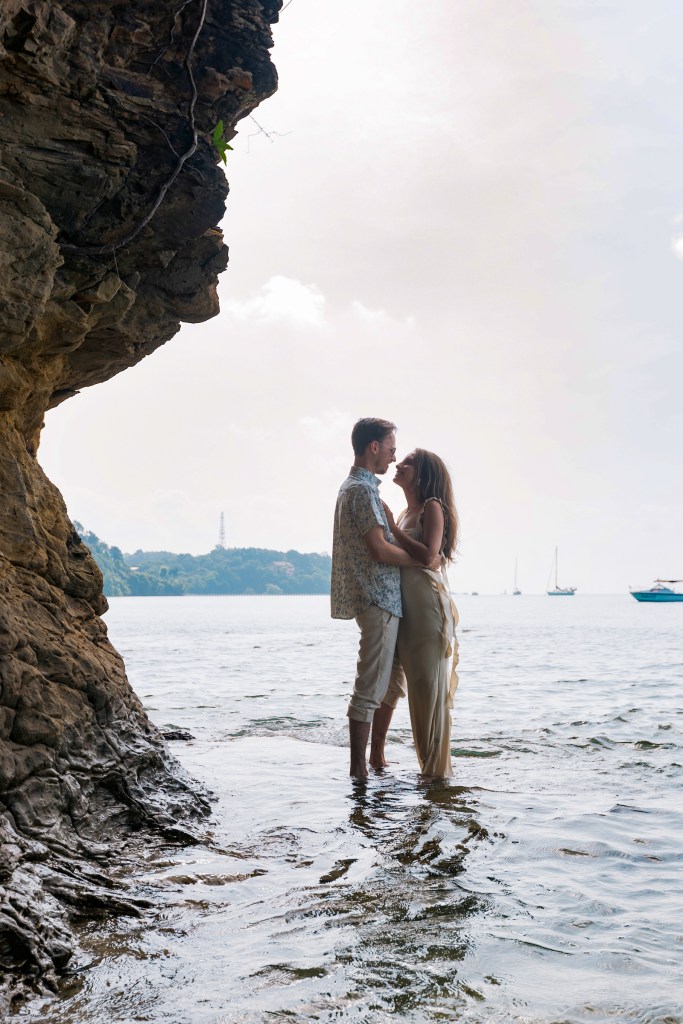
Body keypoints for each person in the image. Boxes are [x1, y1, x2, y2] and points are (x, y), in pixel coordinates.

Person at [331, 418, 435, 779]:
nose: (393, 458)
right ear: (373, 447)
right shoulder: (360, 491)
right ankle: (358, 771)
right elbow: (378, 550)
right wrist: (424, 562)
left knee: (389, 684)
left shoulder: (361, 489)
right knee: (370, 686)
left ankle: (375, 760)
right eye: (391, 449)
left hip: (384, 600)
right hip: (377, 599)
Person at [380, 449, 459, 778]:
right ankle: (430, 774)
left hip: (427, 610)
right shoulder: (403, 513)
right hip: (406, 610)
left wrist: (392, 530)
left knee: (427, 691)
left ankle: (436, 775)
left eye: (408, 462)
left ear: (423, 474)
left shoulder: (432, 507)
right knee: (414, 692)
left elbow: (429, 557)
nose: (399, 464)